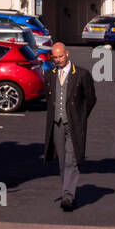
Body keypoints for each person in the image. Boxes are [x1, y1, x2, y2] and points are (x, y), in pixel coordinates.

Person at [43, 42, 97, 212]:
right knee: (61, 161)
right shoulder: (50, 74)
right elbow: (49, 98)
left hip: (73, 124)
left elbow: (91, 99)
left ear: (67, 54)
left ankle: (68, 197)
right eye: (55, 57)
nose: (58, 60)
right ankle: (68, 191)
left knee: (71, 160)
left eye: (60, 56)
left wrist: (80, 116)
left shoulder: (81, 74)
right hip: (56, 123)